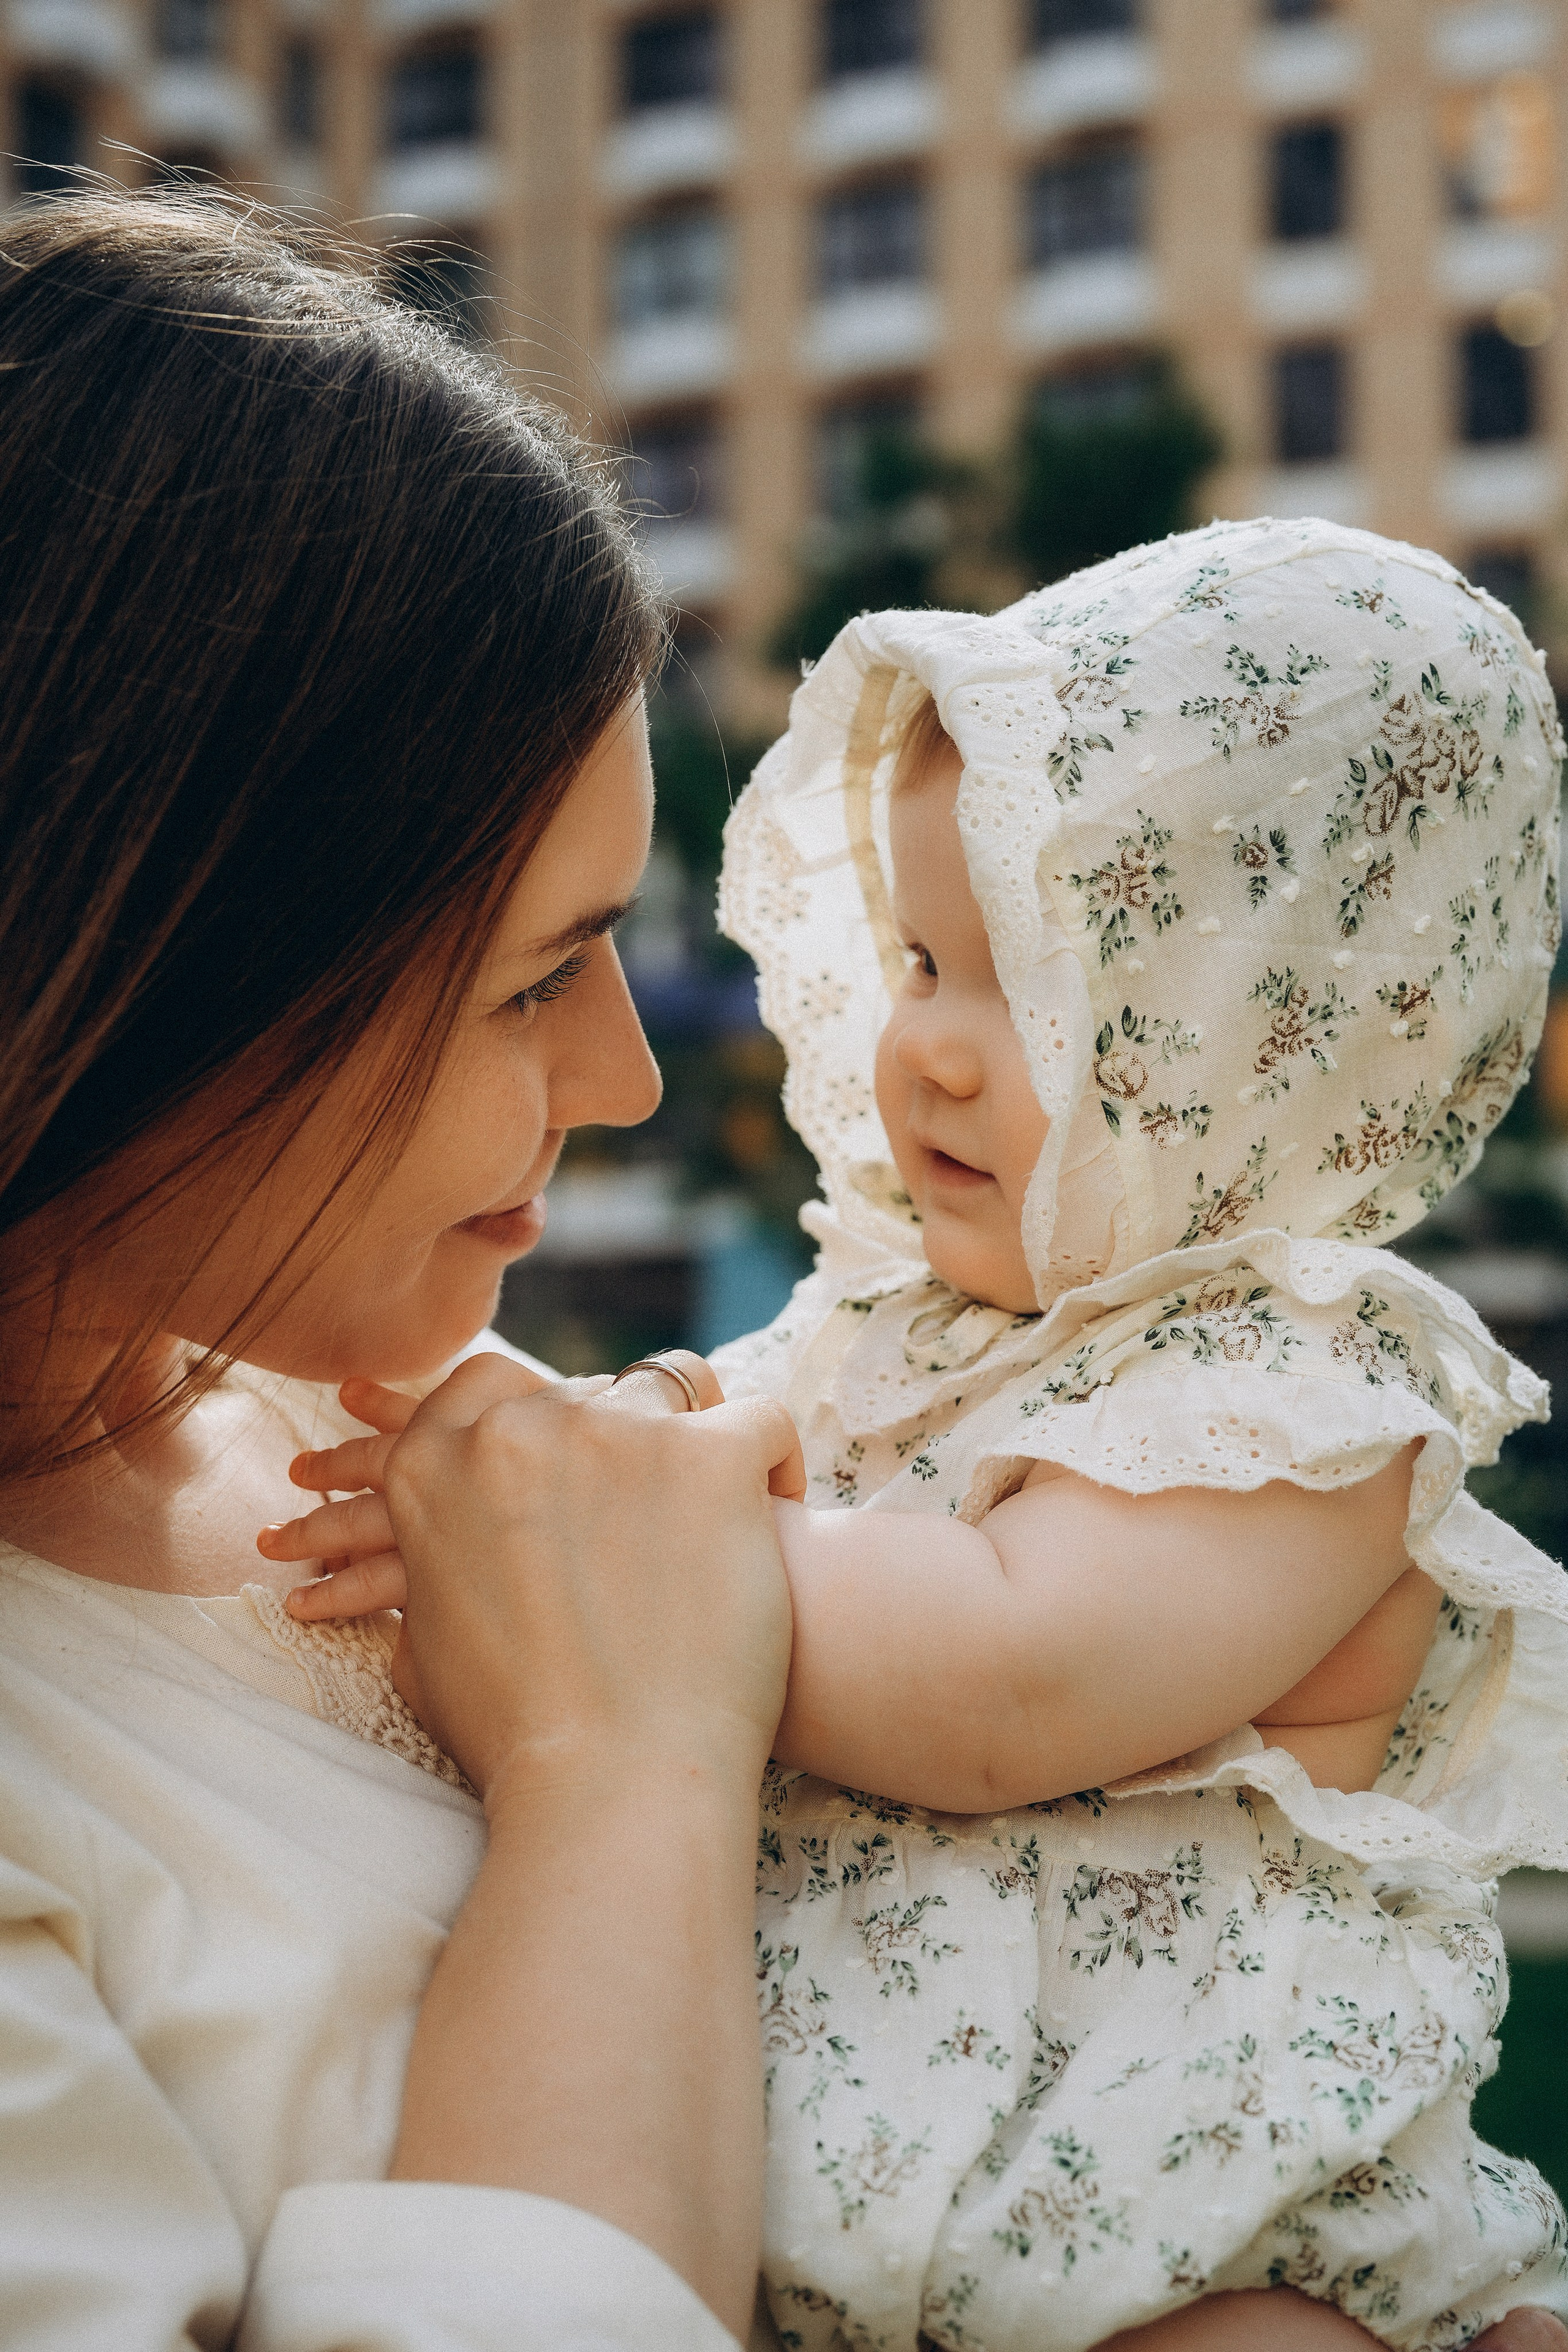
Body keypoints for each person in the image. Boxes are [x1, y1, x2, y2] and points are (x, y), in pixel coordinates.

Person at [290, 521, 1568, 2350]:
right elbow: (716, 1421)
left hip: (1202, 2231)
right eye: (915, 961)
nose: (934, 1053)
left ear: (1286, 1042)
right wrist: (560, 1447)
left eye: (1032, 982)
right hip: (854, 2181)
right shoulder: (900, 1310)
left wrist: (599, 1546)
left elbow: (1001, 1676)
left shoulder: (1308, 1400)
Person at [0, 189, 800, 2350]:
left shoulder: (402, 1446)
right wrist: (621, 1772)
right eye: (542, 978)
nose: (630, 1079)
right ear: (160, 966)